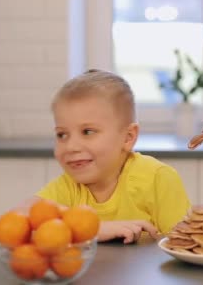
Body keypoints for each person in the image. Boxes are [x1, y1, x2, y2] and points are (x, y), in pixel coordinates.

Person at [21, 70, 191, 243]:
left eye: (87, 132)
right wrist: (91, 229)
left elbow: (186, 245)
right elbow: (19, 217)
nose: (71, 146)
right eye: (62, 135)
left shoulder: (158, 179)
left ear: (128, 137)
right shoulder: (69, 186)